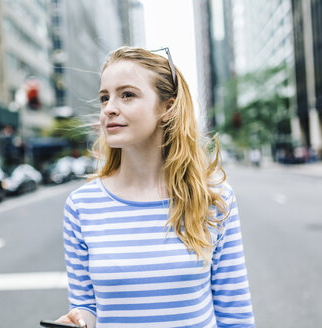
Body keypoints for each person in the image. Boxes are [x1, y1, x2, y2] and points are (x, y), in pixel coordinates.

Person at [55, 46, 255, 327]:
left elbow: (235, 312)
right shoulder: (81, 205)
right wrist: (78, 320)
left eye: (127, 95)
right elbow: (85, 305)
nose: (109, 108)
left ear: (168, 107)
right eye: (104, 98)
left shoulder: (214, 198)